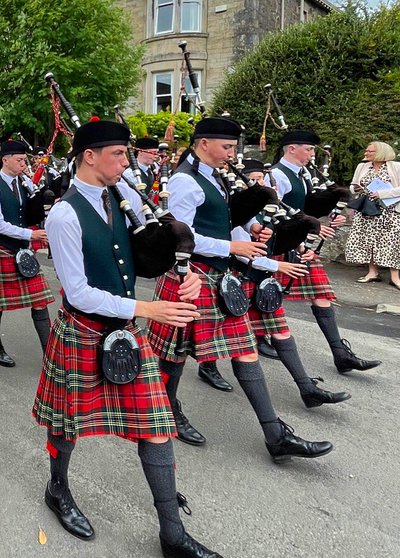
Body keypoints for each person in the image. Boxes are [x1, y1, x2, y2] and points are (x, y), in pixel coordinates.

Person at [34, 118, 237, 558]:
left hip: (127, 327)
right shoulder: (64, 214)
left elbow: (154, 251)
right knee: (68, 423)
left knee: (155, 424)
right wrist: (150, 308)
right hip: (84, 329)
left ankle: (173, 536)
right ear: (90, 156)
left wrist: (182, 277)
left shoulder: (121, 199)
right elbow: (78, 291)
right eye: (119, 155)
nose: (128, 162)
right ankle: (58, 487)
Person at [147, 115, 334, 459]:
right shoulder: (185, 182)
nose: (232, 154)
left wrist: (250, 228)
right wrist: (232, 247)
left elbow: (225, 216)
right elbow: (181, 236)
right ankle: (168, 409)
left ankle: (275, 435)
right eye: (227, 147)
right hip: (190, 275)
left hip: (218, 276)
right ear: (204, 143)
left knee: (245, 349)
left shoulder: (214, 175)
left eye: (234, 148)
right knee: (173, 354)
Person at [269, 132, 381, 374]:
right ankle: (232, 351)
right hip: (280, 243)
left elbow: (310, 204)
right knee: (265, 299)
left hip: (301, 241)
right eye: (308, 149)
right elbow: (275, 211)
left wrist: (332, 215)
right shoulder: (277, 175)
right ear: (291, 149)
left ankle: (340, 354)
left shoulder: (304, 173)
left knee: (321, 294)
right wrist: (308, 230)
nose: (312, 154)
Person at [0, 140, 54, 367]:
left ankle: (49, 356)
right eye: (19, 160)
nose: (23, 164)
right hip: (2, 249)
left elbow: (28, 210)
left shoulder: (25, 182)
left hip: (23, 251)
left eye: (24, 160)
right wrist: (31, 235)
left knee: (40, 301)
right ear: (6, 160)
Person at [345, 141, 400, 288]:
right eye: (366, 151)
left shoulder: (396, 167)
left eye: (370, 151)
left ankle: (395, 276)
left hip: (390, 211)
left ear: (381, 152)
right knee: (369, 240)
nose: (366, 153)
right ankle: (372, 272)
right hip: (367, 209)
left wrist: (382, 193)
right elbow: (353, 185)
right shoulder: (362, 166)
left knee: (391, 242)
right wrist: (356, 189)